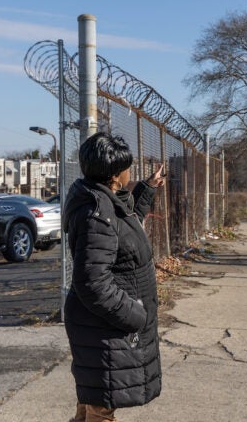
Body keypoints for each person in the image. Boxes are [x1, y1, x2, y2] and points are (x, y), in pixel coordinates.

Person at [63, 132, 165, 422]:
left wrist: (147, 187)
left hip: (102, 324)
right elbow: (93, 282)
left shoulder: (101, 200)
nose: (129, 171)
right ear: (115, 174)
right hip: (105, 327)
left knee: (93, 405)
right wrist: (135, 315)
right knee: (100, 409)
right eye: (127, 167)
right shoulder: (97, 213)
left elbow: (125, 223)